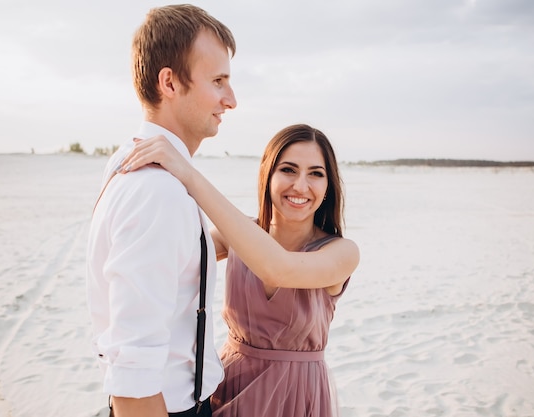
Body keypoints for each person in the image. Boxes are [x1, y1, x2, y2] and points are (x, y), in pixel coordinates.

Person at [118, 124, 360, 417]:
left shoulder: (342, 252)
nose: (300, 185)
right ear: (267, 175)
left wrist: (189, 174)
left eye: (315, 174)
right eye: (288, 170)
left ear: (328, 186)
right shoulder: (236, 234)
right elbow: (166, 257)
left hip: (296, 397)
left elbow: (276, 268)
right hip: (231, 384)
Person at [86, 5, 236, 417]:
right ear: (169, 82)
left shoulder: (129, 161)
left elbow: (175, 259)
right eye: (218, 81)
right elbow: (134, 375)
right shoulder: (157, 191)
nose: (231, 99)